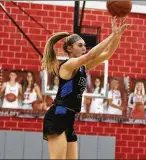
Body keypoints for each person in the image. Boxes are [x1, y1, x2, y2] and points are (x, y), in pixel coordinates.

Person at [41, 17, 130, 159]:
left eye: (84, 46)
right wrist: (112, 35)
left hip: (69, 117)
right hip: (57, 115)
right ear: (70, 48)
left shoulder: (81, 67)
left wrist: (118, 35)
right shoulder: (68, 65)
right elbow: (92, 55)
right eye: (80, 45)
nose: (84, 48)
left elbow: (107, 54)